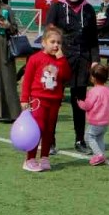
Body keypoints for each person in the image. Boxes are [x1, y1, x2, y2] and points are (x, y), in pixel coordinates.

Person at [46, 0, 100, 155]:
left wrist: (94, 61)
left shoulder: (89, 9)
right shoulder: (57, 8)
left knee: (79, 103)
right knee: (54, 102)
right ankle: (50, 141)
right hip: (60, 61)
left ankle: (79, 140)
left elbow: (93, 39)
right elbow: (50, 35)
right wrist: (56, 53)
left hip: (82, 61)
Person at [19, 25, 71, 172]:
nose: (56, 45)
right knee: (38, 128)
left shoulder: (60, 60)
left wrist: (61, 60)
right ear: (44, 43)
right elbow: (27, 80)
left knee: (49, 130)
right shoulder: (35, 59)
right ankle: (29, 159)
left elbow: (66, 76)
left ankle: (45, 157)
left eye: (58, 43)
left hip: (54, 100)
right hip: (38, 100)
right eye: (52, 42)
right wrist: (24, 99)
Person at [76, 62, 109, 165]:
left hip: (95, 121)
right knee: (99, 138)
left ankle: (99, 155)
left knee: (88, 137)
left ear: (93, 78)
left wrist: (80, 103)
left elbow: (87, 105)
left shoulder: (93, 91)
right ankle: (101, 154)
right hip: (106, 121)